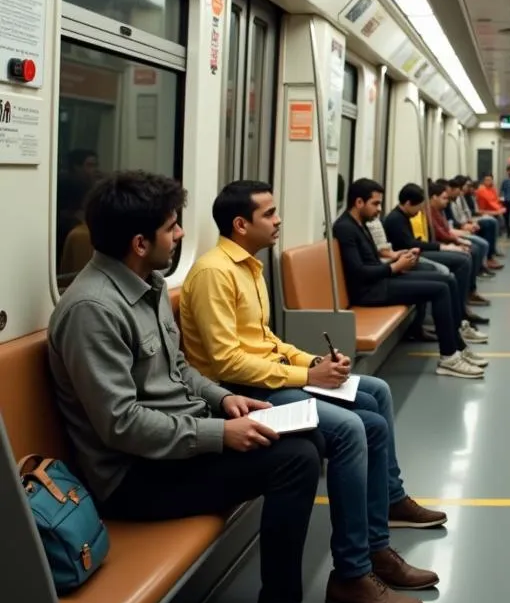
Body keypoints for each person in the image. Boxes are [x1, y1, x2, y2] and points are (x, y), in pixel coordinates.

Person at [47, 171, 351, 603]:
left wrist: (227, 399)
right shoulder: (93, 311)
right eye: (172, 228)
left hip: (174, 443)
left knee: (308, 437)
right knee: (295, 463)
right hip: (131, 477)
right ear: (141, 243)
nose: (181, 235)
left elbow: (180, 372)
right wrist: (219, 435)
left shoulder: (148, 284)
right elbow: (121, 425)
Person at [180, 179, 449, 548]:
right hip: (241, 394)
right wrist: (308, 376)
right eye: (269, 213)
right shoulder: (215, 273)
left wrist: (316, 361)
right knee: (356, 425)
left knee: (376, 392)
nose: (278, 221)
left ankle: (390, 499)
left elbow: (266, 340)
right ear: (241, 225)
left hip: (266, 376)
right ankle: (359, 559)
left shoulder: (249, 268)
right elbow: (227, 364)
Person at [334, 179, 485, 379]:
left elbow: (371, 260)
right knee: (439, 289)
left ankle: (458, 345)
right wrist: (395, 267)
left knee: (447, 281)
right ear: (359, 202)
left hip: (379, 280)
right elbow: (359, 272)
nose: (379, 209)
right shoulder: (345, 228)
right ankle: (449, 357)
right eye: (375, 204)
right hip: (370, 291)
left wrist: (397, 257)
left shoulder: (360, 224)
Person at [384, 183, 490, 320]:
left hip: (413, 254)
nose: (419, 210)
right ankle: (455, 315)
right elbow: (410, 244)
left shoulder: (404, 216)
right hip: (408, 258)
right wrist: (442, 247)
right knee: (452, 266)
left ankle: (460, 309)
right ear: (408, 203)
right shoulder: (396, 219)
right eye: (418, 206)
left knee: (463, 258)